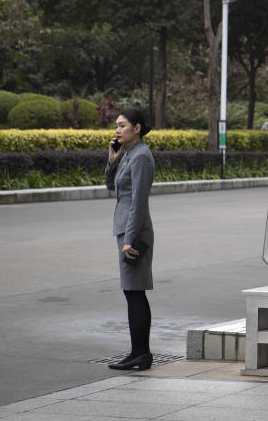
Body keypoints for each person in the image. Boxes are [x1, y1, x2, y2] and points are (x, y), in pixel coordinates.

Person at [104, 108, 155, 370]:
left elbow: (138, 202)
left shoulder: (142, 157)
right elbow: (110, 186)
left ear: (137, 127)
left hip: (134, 232)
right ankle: (139, 353)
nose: (117, 130)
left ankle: (141, 353)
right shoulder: (127, 154)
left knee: (135, 291)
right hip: (125, 229)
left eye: (123, 125)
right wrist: (112, 161)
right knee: (132, 291)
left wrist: (130, 239)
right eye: (116, 126)